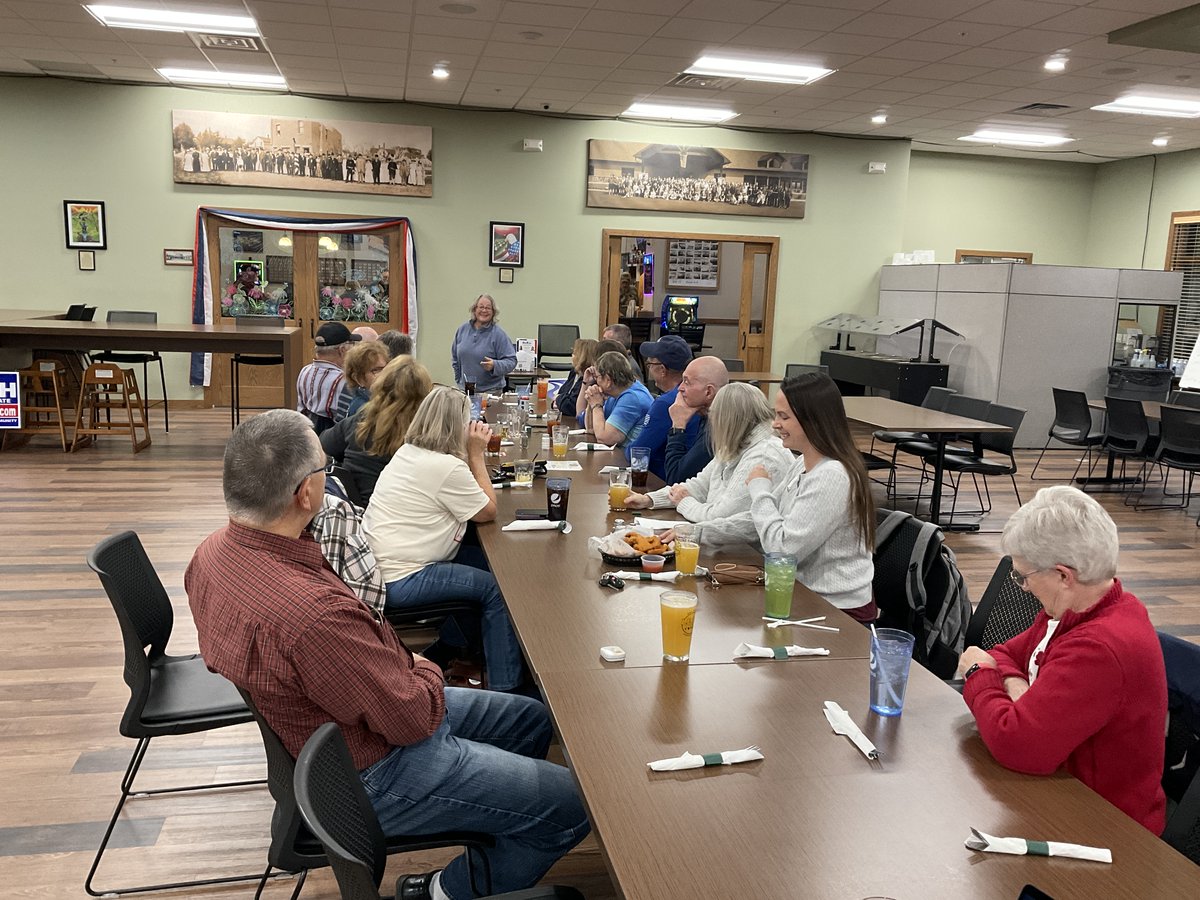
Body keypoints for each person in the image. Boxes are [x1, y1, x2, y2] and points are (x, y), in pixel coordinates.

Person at [186, 410, 588, 900]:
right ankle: (447, 889)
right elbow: (411, 720)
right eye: (323, 470)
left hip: (340, 731)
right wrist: (425, 668)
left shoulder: (210, 554)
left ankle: (495, 821)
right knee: (575, 805)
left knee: (530, 721)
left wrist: (409, 671)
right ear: (305, 494)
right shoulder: (311, 616)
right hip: (373, 770)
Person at [958, 485, 1167, 834]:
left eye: (1024, 577)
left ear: (1063, 576)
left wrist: (979, 674)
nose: (1023, 587)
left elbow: (1016, 743)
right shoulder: (1074, 610)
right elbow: (1005, 653)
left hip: (1105, 828)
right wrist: (1014, 683)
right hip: (1061, 793)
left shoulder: (1099, 646)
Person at [363, 387, 529, 694]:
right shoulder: (445, 467)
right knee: (499, 589)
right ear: (458, 426)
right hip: (406, 577)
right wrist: (476, 454)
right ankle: (507, 689)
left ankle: (459, 650)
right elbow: (488, 511)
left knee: (491, 566)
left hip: (382, 567)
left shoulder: (409, 452)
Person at [743, 371, 876, 621]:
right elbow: (763, 523)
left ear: (813, 420)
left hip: (838, 611)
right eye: (776, 415)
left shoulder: (832, 475)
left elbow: (781, 551)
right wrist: (700, 533)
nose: (775, 424)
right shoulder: (802, 463)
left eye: (784, 416)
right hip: (805, 594)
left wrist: (760, 490)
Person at [625, 383, 793, 539]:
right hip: (721, 544)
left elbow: (720, 517)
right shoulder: (736, 442)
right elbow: (700, 485)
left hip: (748, 556)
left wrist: (684, 502)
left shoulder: (763, 456)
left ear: (727, 420)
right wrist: (649, 499)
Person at [321, 355, 433, 504]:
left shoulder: (360, 422)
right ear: (425, 395)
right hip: (403, 514)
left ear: (381, 386)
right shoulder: (428, 435)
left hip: (356, 511)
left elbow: (322, 444)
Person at [630, 334, 696, 479]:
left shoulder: (666, 403)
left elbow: (636, 453)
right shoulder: (694, 397)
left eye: (649, 365)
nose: (648, 370)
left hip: (662, 483)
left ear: (662, 370)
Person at [664, 355, 729, 483]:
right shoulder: (707, 415)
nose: (680, 388)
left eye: (687, 382)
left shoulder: (718, 428)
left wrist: (677, 427)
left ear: (709, 392)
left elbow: (676, 479)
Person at [579, 351, 653, 450]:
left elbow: (605, 438)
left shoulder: (632, 398)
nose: (596, 381)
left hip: (628, 461)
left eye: (597, 377)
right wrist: (591, 400)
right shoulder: (614, 393)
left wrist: (597, 405)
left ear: (608, 381)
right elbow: (591, 429)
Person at [297, 322, 361, 433]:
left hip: (305, 433)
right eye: (352, 345)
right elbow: (345, 421)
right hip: (331, 440)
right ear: (342, 350)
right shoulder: (343, 380)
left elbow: (300, 409)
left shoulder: (305, 371)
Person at [450, 294, 516, 394]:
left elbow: (511, 361)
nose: (484, 310)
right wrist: (459, 380)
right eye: (481, 307)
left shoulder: (499, 334)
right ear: (474, 310)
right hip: (465, 389)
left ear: (493, 312)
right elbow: (455, 358)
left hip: (491, 391)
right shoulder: (462, 330)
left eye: (488, 308)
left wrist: (495, 365)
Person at [338, 340, 390, 419]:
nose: (383, 374)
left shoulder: (382, 399)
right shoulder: (362, 408)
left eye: (385, 368)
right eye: (375, 370)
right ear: (358, 379)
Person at [555, 337, 599, 417]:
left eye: (575, 353)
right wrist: (561, 399)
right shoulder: (574, 372)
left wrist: (558, 399)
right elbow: (561, 392)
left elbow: (571, 407)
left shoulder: (591, 378)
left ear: (583, 357)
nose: (572, 356)